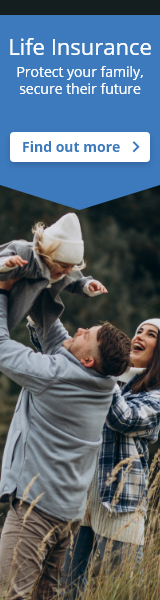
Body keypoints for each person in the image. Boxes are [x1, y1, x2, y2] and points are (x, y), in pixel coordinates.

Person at [0, 279, 131, 600]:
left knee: (10, 593)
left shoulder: (56, 375)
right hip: (67, 515)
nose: (82, 328)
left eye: (89, 335)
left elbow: (1, 347)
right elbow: (50, 327)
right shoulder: (103, 382)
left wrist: (3, 291)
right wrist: (49, 277)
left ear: (88, 360)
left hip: (36, 511)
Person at [62, 318, 160, 598]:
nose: (139, 335)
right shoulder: (109, 380)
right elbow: (68, 360)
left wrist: (108, 369)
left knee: (118, 592)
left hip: (121, 509)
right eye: (139, 330)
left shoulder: (154, 394)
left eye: (151, 334)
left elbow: (124, 419)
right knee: (66, 590)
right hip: (80, 502)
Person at [0, 212, 107, 336]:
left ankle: (36, 329)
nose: (68, 271)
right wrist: (6, 264)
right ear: (48, 254)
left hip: (18, 308)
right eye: (64, 266)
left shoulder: (63, 270)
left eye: (72, 266)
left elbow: (74, 281)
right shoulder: (24, 253)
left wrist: (88, 285)